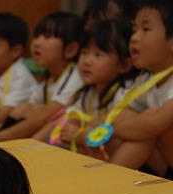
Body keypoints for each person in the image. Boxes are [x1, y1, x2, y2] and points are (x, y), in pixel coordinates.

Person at [74, 0, 173, 176]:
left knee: (146, 120)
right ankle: (103, 175)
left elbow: (154, 124)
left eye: (146, 29)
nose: (134, 37)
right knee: (128, 116)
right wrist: (86, 130)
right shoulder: (146, 78)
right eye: (135, 29)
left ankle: (104, 179)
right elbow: (119, 114)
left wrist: (106, 131)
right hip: (164, 164)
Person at [0, 12, 84, 143]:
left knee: (46, 114)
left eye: (47, 37)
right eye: (36, 36)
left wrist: (0, 137)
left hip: (69, 137)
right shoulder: (48, 81)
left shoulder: (75, 76)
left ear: (71, 50)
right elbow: (23, 111)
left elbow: (43, 118)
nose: (37, 43)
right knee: (25, 107)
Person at [46, 19, 135, 149]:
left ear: (124, 65)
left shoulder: (125, 92)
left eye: (98, 55)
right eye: (84, 52)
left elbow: (111, 134)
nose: (86, 61)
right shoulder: (87, 92)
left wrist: (79, 134)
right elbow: (65, 120)